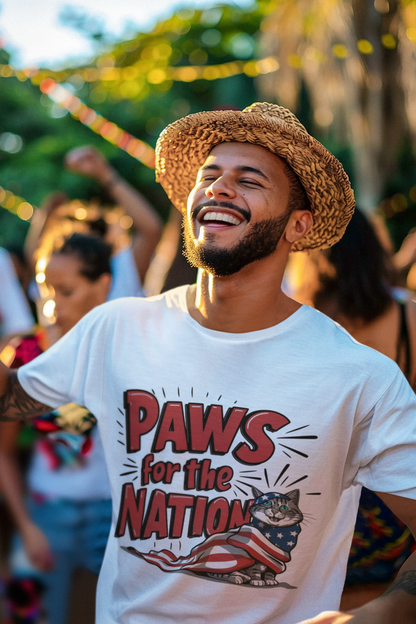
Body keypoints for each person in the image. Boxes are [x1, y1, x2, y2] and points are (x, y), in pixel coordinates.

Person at [0, 102, 416, 624]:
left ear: (298, 224)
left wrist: (384, 613)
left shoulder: (360, 377)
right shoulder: (117, 328)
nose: (219, 187)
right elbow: (9, 398)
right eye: (209, 175)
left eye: (249, 180)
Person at [0, 234, 113, 624]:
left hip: (116, 518)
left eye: (65, 291)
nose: (50, 305)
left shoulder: (122, 348)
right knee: (27, 615)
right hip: (45, 515)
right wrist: (26, 525)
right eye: (44, 288)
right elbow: (4, 451)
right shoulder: (26, 354)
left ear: (102, 287)